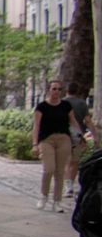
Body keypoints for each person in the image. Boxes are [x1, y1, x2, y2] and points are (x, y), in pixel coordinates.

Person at [34, 81, 81, 212]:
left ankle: (57, 201)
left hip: (63, 139)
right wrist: (35, 144)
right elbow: (36, 126)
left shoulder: (66, 105)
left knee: (60, 172)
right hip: (47, 140)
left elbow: (73, 121)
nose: (57, 91)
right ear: (49, 90)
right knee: (49, 169)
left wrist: (80, 136)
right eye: (54, 89)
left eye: (59, 89)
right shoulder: (42, 106)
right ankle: (43, 196)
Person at [66, 82, 92, 198]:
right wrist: (95, 136)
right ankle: (70, 184)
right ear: (77, 91)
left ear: (67, 90)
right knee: (75, 161)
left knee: (67, 161)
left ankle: (68, 186)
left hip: (64, 135)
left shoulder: (62, 102)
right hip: (78, 135)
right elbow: (87, 120)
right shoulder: (82, 103)